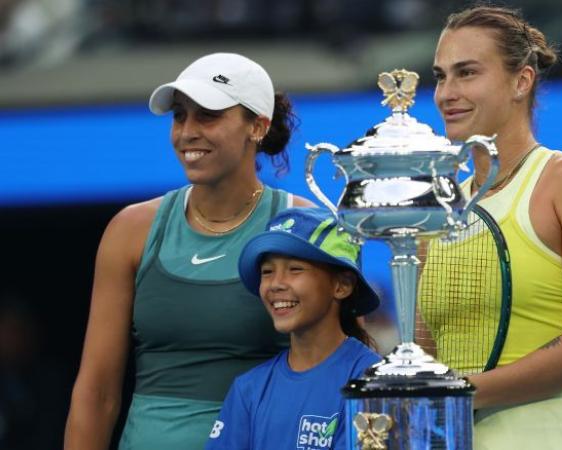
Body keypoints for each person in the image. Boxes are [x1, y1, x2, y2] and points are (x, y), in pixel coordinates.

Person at [64, 52, 314, 450]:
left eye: (208, 116)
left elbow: (330, 381)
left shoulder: (304, 227)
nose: (187, 132)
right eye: (180, 116)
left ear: (258, 126)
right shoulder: (129, 231)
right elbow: (96, 392)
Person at [427, 5, 562, 449]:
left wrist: (462, 393)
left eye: (467, 73)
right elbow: (425, 356)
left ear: (521, 81)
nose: (447, 92)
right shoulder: (436, 208)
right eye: (441, 76)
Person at [205, 207, 382, 450]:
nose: (275, 284)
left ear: (342, 285)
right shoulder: (249, 388)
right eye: (267, 272)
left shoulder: (372, 383)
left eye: (295, 269)